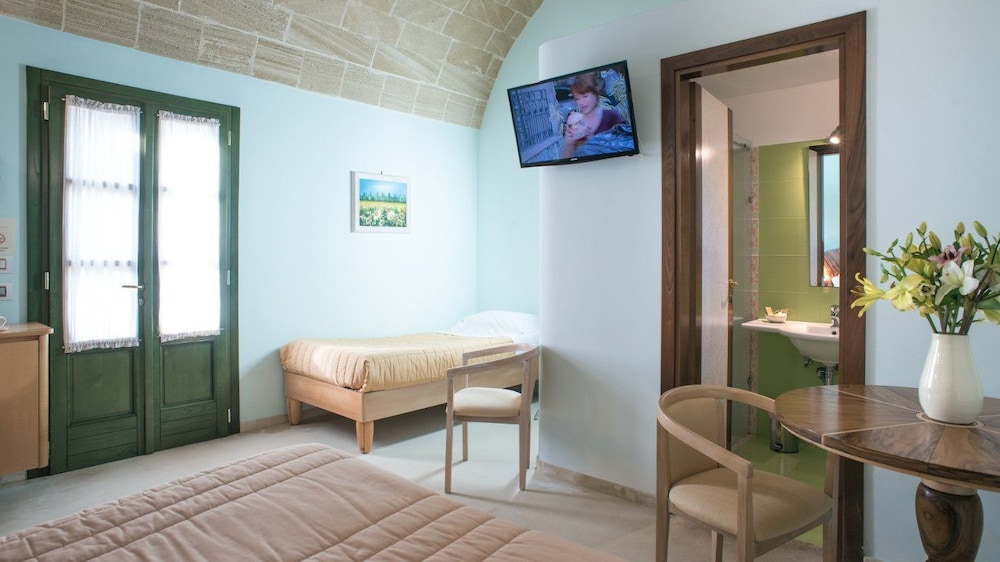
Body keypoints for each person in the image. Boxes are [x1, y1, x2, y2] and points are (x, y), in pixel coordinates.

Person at [560, 72, 625, 158]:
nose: (581, 102)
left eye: (585, 96)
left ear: (595, 94)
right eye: (577, 98)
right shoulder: (575, 124)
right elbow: (568, 159)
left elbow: (624, 148)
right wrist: (568, 143)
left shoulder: (612, 117)